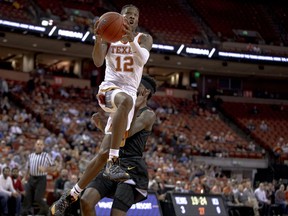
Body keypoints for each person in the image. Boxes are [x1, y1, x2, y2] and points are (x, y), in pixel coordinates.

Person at [50, 75, 156, 216]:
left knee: (116, 214)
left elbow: (126, 134)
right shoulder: (124, 107)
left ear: (146, 91)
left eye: (137, 84)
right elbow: (115, 137)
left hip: (131, 168)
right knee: (86, 200)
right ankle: (71, 196)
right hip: (112, 163)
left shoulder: (148, 114)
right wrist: (103, 127)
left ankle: (71, 194)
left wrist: (135, 108)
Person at [92, 4, 153, 182]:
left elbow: (142, 59)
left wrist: (131, 39)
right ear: (120, 17)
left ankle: (72, 194)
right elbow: (97, 61)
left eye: (135, 14)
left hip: (129, 96)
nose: (131, 16)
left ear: (138, 19)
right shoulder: (109, 38)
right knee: (125, 100)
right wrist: (97, 40)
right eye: (128, 14)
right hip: (109, 89)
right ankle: (113, 163)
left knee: (105, 149)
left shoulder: (144, 39)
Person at [21, 139, 56, 216]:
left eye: (41, 144)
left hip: (41, 179)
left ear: (43, 146)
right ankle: (24, 213)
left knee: (38, 198)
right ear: (35, 146)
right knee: (27, 197)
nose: (39, 146)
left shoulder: (46, 155)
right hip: (31, 178)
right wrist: (24, 177)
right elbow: (28, 168)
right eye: (38, 144)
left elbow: (54, 167)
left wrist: (46, 169)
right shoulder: (31, 156)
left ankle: (47, 209)